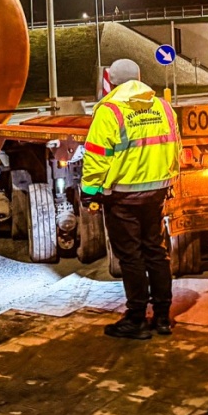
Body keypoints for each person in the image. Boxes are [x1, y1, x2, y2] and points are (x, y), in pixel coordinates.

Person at [81, 58, 182, 340]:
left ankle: (136, 318)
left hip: (124, 196)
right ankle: (162, 316)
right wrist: (169, 182)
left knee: (131, 257)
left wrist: (89, 192)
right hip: (156, 193)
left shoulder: (110, 110)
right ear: (139, 77)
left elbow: (97, 156)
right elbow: (175, 146)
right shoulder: (162, 106)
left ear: (111, 81)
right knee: (156, 251)